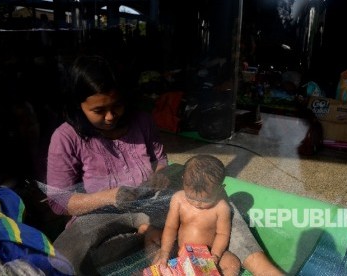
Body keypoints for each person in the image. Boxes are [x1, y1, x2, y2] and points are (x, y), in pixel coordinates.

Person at [45, 55, 285, 276]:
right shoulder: (66, 137)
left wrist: (160, 175)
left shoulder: (142, 121)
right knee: (68, 248)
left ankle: (263, 268)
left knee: (213, 198)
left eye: (116, 105)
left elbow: (160, 161)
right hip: (100, 216)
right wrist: (110, 197)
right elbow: (59, 201)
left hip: (150, 204)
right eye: (98, 110)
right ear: (78, 106)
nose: (110, 116)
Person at [154, 155, 240, 275]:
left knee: (232, 262)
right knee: (158, 257)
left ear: (220, 189)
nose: (197, 203)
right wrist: (165, 251)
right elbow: (170, 227)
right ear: (183, 181)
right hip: (180, 250)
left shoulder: (221, 208)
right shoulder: (178, 199)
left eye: (205, 200)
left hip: (208, 253)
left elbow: (222, 234)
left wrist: (215, 255)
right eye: (191, 198)